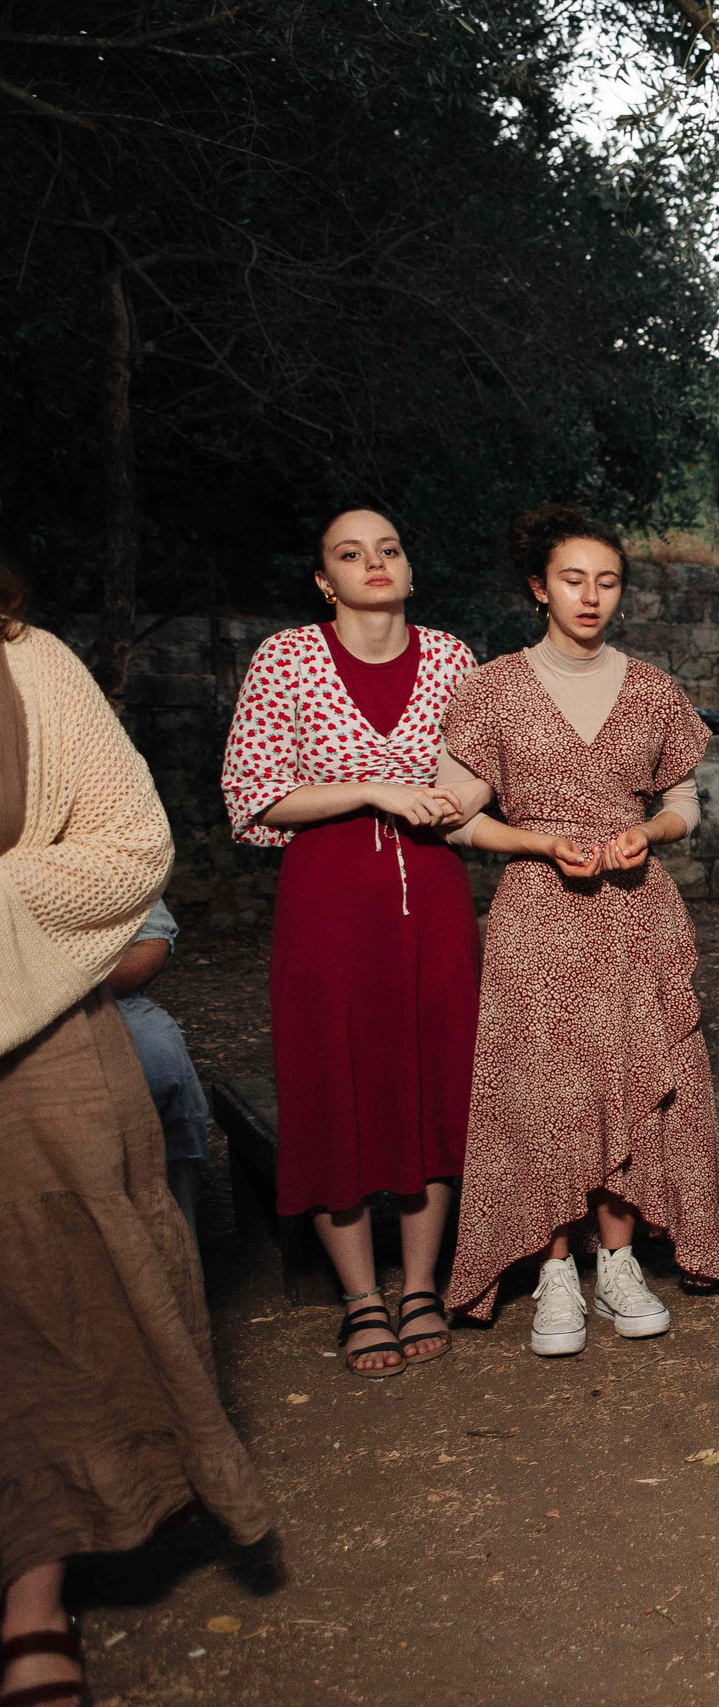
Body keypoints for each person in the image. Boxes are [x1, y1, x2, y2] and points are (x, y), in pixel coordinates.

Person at [2, 574, 272, 1707]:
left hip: (36, 1042)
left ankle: (32, 1597)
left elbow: (130, 845)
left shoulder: (34, 665)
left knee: (56, 1300)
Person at [437, 504, 719, 1354]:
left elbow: (683, 800)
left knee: (629, 1083)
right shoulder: (491, 688)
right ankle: (554, 1272)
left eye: (607, 581)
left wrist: (654, 832)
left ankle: (620, 1261)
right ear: (540, 587)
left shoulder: (652, 689)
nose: (591, 596)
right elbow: (458, 817)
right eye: (573, 579)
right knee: (544, 1091)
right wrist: (536, 840)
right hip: (538, 913)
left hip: (634, 913)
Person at [219, 506, 480, 1377]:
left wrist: (458, 799)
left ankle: (419, 1286)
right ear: (324, 579)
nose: (375, 562)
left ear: (409, 568)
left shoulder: (451, 658)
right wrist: (371, 788)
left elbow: (478, 775)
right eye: (350, 553)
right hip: (329, 899)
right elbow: (253, 793)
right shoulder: (286, 658)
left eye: (391, 549)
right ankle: (359, 1295)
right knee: (332, 1074)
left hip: (431, 896)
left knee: (429, 1071)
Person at [105, 902, 213, 1240]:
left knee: (159, 1056)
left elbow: (152, 939)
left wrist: (78, 987)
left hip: (107, 997)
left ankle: (176, 1247)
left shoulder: (101, 851)